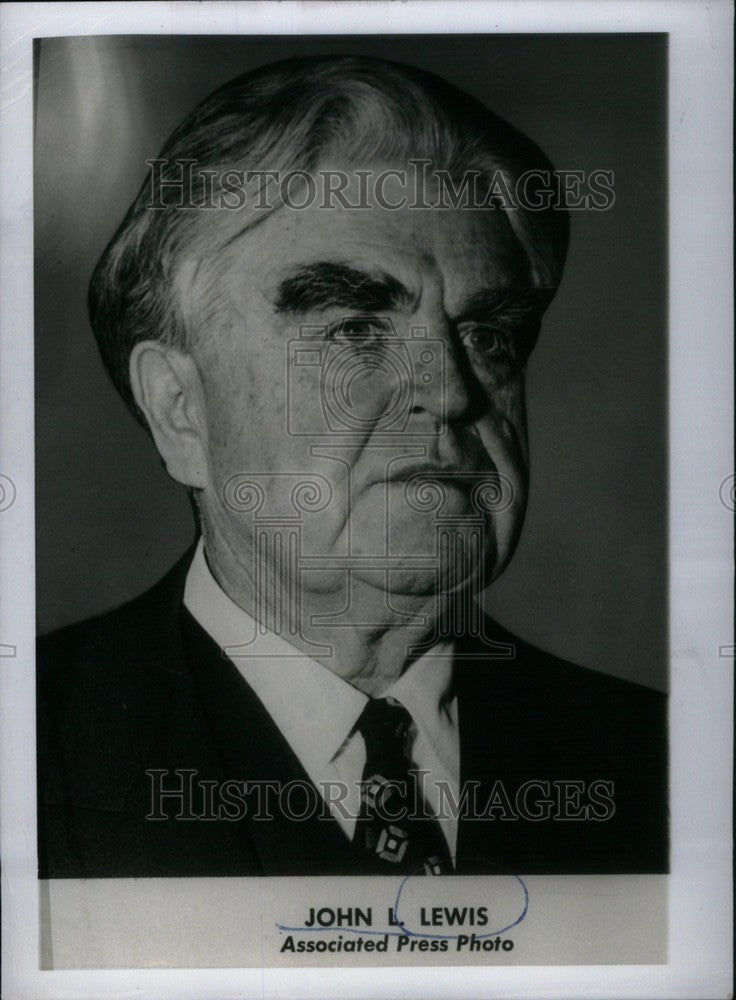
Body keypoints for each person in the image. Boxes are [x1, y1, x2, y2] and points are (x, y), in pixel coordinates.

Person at [37, 55, 667, 878]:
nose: (449, 392)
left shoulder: (662, 763)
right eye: (355, 330)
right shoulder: (32, 746)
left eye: (487, 335)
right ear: (180, 410)